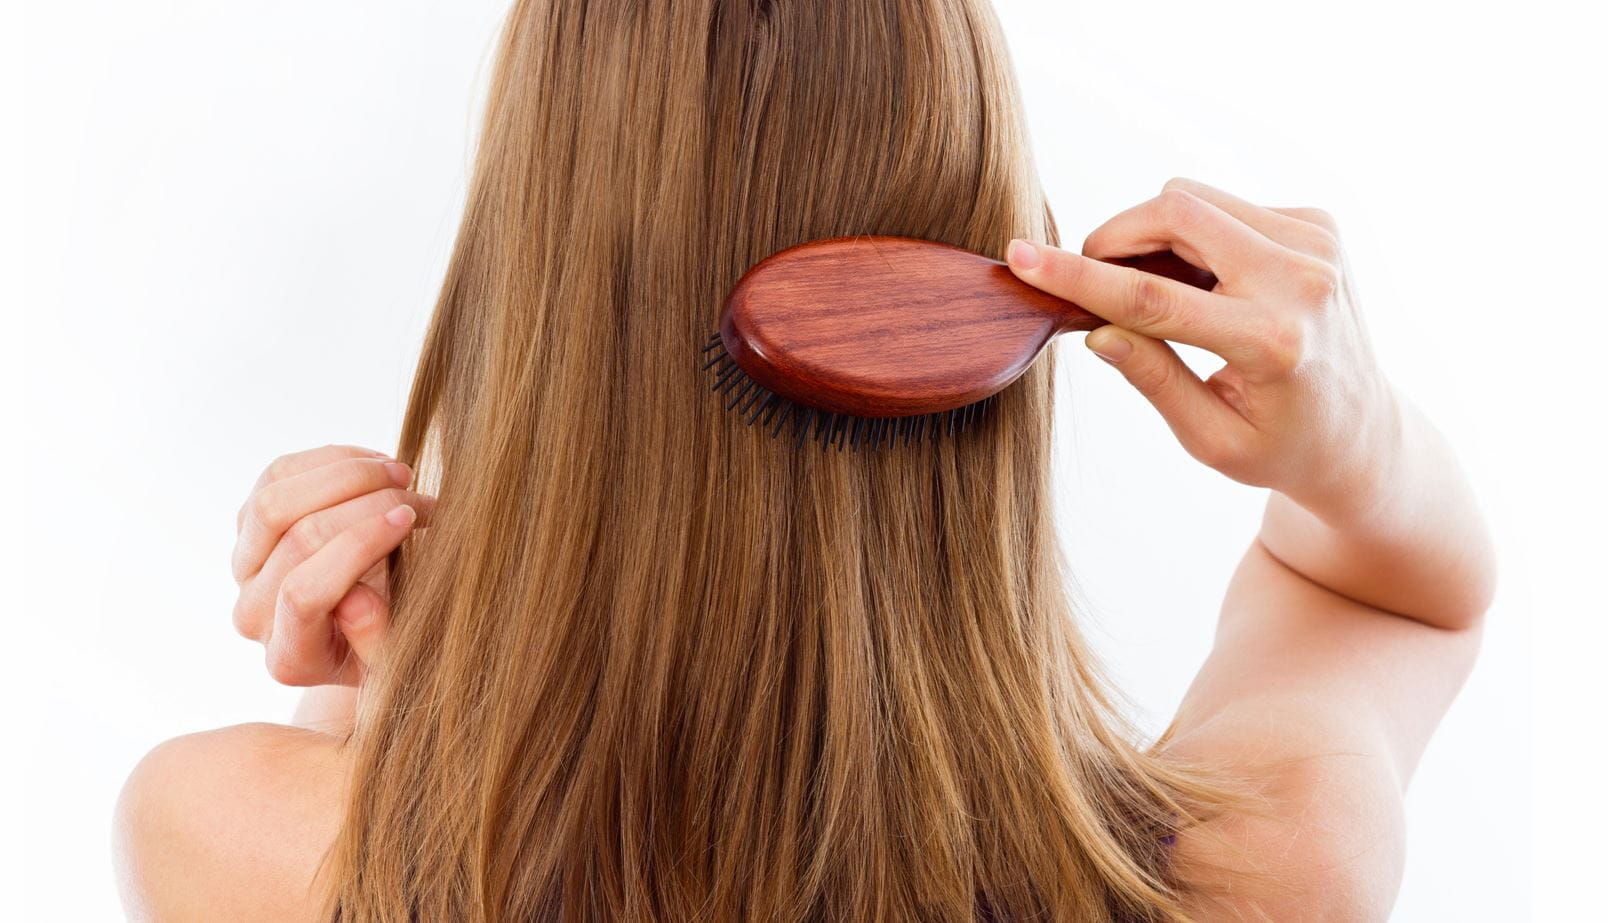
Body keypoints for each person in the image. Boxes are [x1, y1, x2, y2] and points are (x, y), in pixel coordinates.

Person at [113, 1, 1495, 920]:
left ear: (526, 302)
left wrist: (400, 685)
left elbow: (414, 844)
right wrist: (1354, 442)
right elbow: (1403, 602)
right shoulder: (1257, 871)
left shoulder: (243, 849)